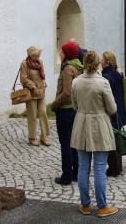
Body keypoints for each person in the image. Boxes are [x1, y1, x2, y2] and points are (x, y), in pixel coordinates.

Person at [71, 51, 119, 217]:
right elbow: (112, 108)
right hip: (98, 124)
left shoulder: (76, 82)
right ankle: (102, 206)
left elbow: (74, 105)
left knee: (83, 167)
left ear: (84, 63)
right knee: (99, 168)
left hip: (81, 123)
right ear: (99, 64)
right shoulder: (102, 82)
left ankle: (85, 204)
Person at [51, 42, 83, 185]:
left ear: (67, 54)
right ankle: (76, 173)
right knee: (74, 143)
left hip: (65, 110)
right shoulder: (78, 67)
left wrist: (54, 104)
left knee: (66, 144)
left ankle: (67, 176)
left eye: (62, 52)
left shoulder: (68, 69)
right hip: (75, 109)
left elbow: (66, 93)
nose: (60, 54)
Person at [101, 51, 126, 177]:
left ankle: (114, 168)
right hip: (118, 109)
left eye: (102, 60)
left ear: (107, 62)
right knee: (115, 138)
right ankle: (118, 166)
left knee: (111, 140)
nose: (100, 62)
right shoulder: (117, 73)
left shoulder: (108, 77)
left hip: (112, 110)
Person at [20, 46, 50, 146]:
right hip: (31, 93)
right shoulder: (24, 64)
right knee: (32, 115)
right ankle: (32, 137)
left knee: (43, 113)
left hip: (41, 92)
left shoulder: (40, 62)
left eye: (38, 56)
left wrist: (44, 82)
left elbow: (42, 75)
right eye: (36, 56)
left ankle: (43, 136)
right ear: (30, 55)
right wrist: (32, 86)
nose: (37, 58)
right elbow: (23, 79)